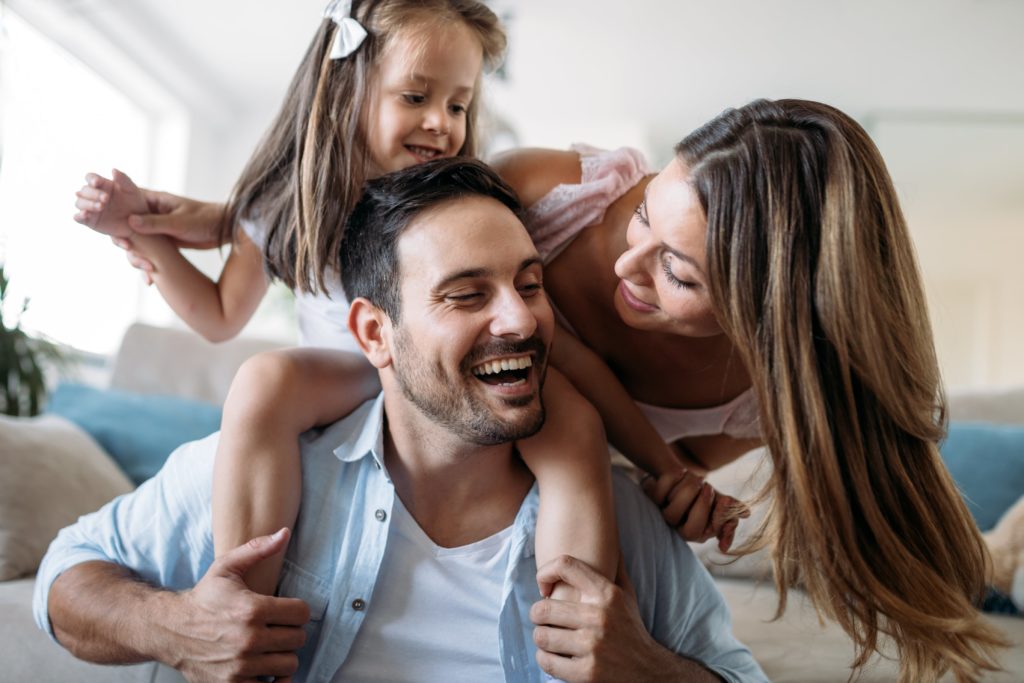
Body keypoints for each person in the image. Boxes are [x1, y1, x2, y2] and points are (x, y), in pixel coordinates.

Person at [87, 98, 1012, 682]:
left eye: (679, 275)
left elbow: (642, 486)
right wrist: (217, 218)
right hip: (408, 384)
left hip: (548, 450)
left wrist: (668, 490)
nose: (628, 267)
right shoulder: (556, 189)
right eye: (645, 211)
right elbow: (411, 212)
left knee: (572, 444)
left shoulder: (756, 397)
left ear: (764, 314)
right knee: (266, 378)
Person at [73, 0, 730, 606]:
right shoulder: (282, 207)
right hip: (351, 375)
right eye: (417, 96)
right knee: (265, 379)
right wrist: (146, 239)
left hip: (448, 381)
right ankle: (241, 606)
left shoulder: (466, 205)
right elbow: (218, 315)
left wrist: (665, 466)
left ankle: (576, 628)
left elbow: (573, 359)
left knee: (574, 421)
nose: (441, 123)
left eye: (459, 105)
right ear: (346, 90)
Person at [38, 158, 768, 683]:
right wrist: (173, 627)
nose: (521, 317)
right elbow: (64, 578)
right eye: (465, 294)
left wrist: (649, 673)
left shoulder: (618, 527)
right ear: (374, 333)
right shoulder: (270, 466)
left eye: (530, 283)